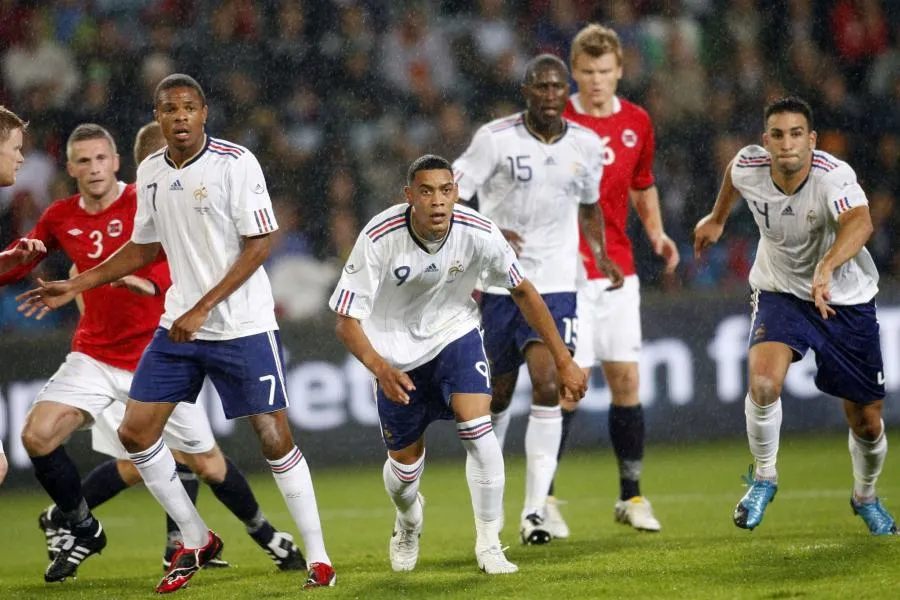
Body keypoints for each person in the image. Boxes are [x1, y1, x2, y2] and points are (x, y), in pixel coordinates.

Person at [18, 74, 336, 592]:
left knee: (274, 438)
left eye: (189, 107)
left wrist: (204, 307)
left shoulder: (236, 162)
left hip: (242, 325)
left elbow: (261, 243)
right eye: (170, 109)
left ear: (204, 112)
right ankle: (195, 537)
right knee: (135, 433)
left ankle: (318, 557)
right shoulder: (149, 171)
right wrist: (75, 283)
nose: (181, 116)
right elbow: (143, 247)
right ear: (159, 117)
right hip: (179, 326)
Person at [331, 154, 587, 574]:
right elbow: (345, 321)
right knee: (404, 476)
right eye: (427, 191)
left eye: (446, 190)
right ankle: (408, 519)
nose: (438, 201)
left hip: (455, 336)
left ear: (455, 193)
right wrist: (380, 368)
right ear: (409, 196)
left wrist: (563, 359)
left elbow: (523, 291)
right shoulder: (379, 236)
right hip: (396, 358)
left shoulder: (479, 231)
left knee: (478, 431)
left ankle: (489, 544)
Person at [694, 96, 896, 535]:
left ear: (812, 140)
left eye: (797, 134)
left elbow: (860, 224)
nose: (787, 144)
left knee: (866, 419)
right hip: (781, 291)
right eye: (778, 135)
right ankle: (764, 478)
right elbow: (734, 174)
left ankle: (865, 496)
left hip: (845, 299)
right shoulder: (750, 165)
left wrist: (827, 266)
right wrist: (716, 217)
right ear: (766, 141)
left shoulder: (833, 177)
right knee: (764, 384)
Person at [452, 54, 619, 545]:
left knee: (548, 384)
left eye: (556, 87)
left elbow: (590, 206)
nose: (549, 95)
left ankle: (534, 513)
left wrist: (601, 253)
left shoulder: (586, 145)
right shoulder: (495, 139)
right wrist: (489, 227)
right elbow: (451, 190)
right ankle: (491, 502)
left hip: (557, 283)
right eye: (540, 87)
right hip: (501, 284)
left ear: (565, 91)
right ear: (526, 91)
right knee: (497, 396)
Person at [549, 24, 680, 537]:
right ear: (573, 71)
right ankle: (544, 499)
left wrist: (658, 234)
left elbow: (643, 184)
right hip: (566, 271)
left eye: (605, 71)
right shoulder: (557, 122)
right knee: (567, 390)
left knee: (626, 381)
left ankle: (631, 496)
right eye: (586, 72)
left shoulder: (637, 122)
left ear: (620, 70)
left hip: (618, 270)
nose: (597, 80)